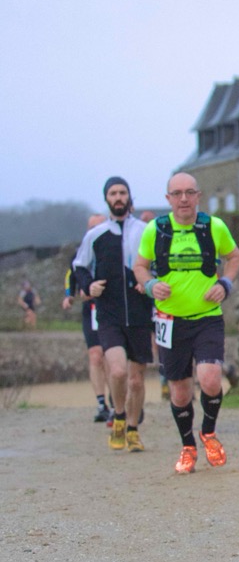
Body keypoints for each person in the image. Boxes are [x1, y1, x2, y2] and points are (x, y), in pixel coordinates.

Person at [134, 172, 239, 475]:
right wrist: (151, 284)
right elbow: (139, 266)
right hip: (170, 321)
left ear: (198, 196)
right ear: (168, 199)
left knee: (210, 378)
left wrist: (225, 284)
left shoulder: (213, 227)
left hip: (207, 317)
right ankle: (188, 446)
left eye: (189, 193)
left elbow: (234, 257)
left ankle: (208, 432)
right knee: (180, 392)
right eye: (177, 193)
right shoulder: (156, 230)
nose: (183, 199)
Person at [73, 178, 153, 452]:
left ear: (129, 197)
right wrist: (89, 286)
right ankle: (118, 414)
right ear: (106, 199)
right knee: (118, 371)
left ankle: (132, 429)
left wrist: (149, 282)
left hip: (140, 313)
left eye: (122, 192)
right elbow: (80, 266)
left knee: (136, 379)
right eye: (113, 193)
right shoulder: (96, 235)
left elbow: (160, 263)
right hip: (109, 314)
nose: (118, 197)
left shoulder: (145, 231)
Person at [64, 214, 111, 422]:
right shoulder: (80, 253)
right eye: (91, 227)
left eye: (98, 227)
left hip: (111, 308)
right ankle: (101, 404)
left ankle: (117, 401)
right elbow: (71, 274)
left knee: (111, 357)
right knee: (95, 355)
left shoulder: (114, 249)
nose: (94, 231)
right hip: (90, 309)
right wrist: (69, 295)